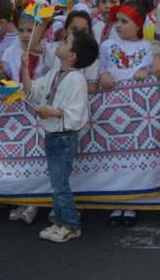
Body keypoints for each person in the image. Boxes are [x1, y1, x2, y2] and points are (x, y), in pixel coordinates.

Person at [22, 27, 99, 244]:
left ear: (72, 55)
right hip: (52, 135)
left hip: (64, 137)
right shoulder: (55, 73)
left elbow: (77, 113)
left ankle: (71, 224)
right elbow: (33, 91)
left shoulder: (77, 80)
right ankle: (59, 221)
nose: (60, 44)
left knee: (60, 183)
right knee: (56, 182)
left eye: (65, 42)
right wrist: (25, 70)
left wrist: (52, 112)